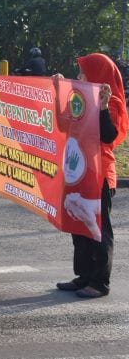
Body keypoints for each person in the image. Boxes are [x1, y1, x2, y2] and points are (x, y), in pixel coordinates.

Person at [54, 53, 127, 298]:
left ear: (96, 75)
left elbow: (108, 136)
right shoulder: (82, 99)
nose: (78, 76)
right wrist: (57, 92)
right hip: (80, 172)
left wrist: (103, 107)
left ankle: (99, 282)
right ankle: (84, 275)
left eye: (83, 72)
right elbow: (65, 125)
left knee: (98, 228)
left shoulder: (111, 101)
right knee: (79, 224)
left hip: (100, 176)